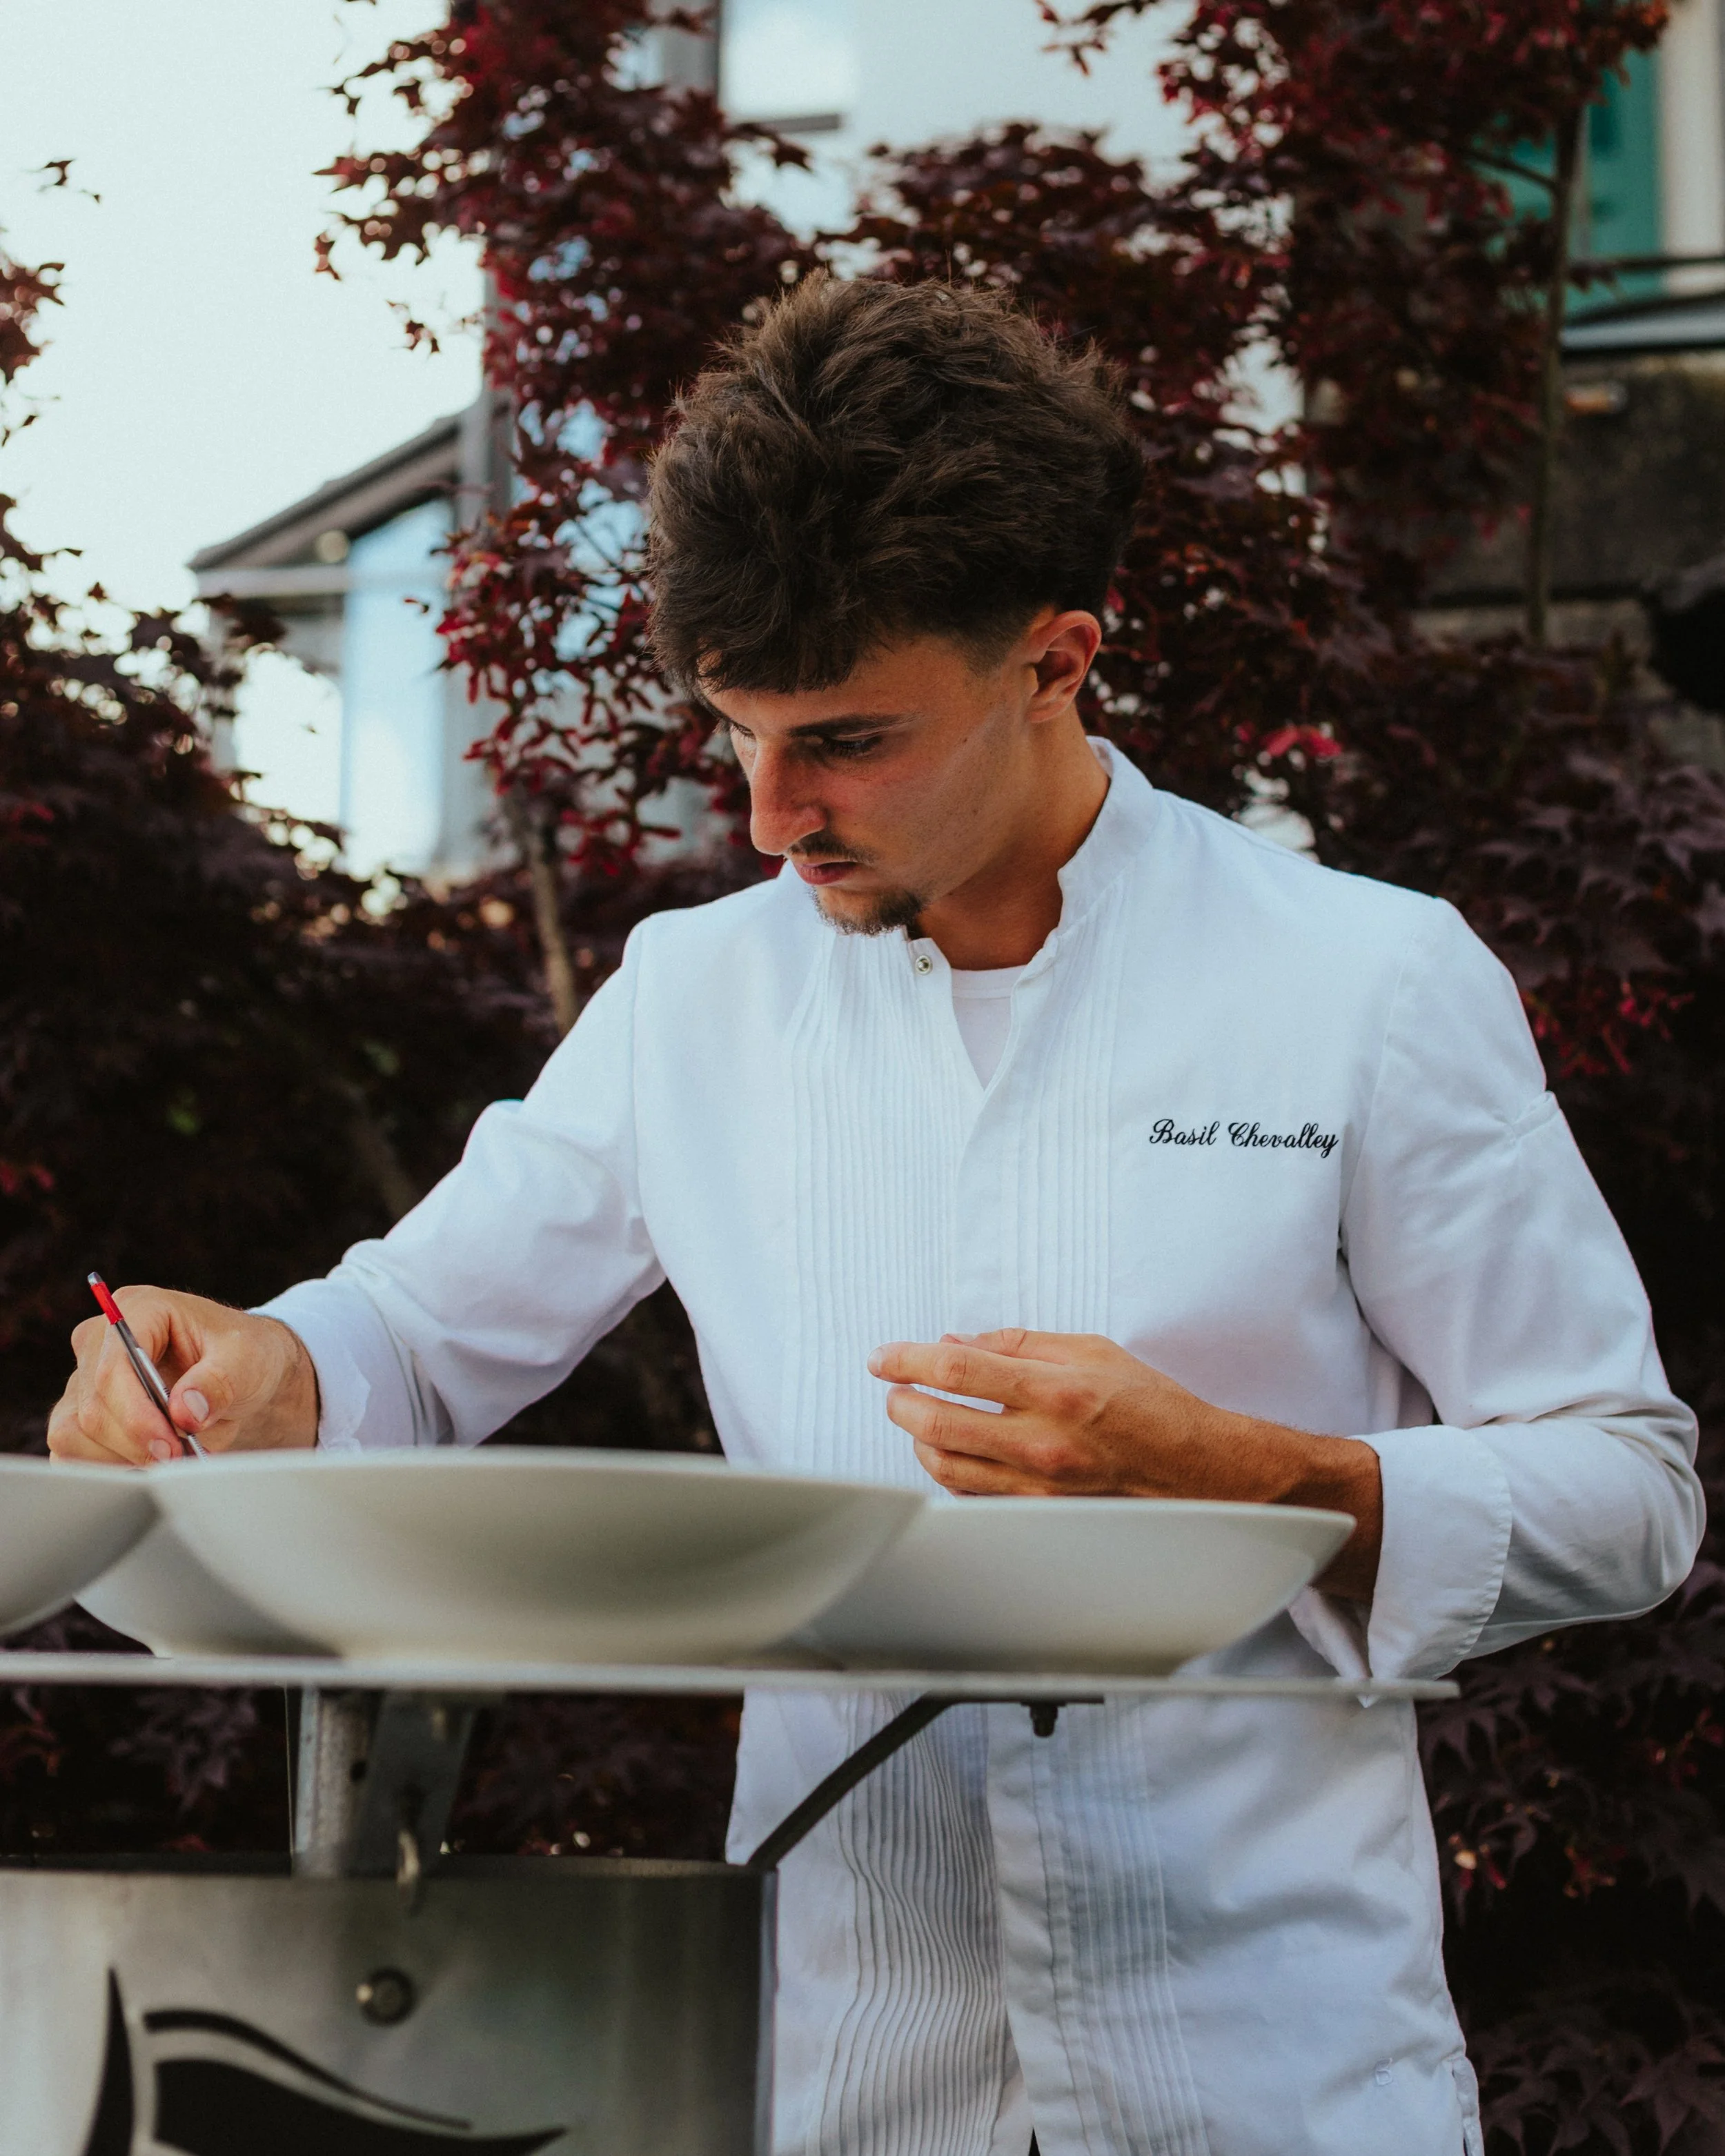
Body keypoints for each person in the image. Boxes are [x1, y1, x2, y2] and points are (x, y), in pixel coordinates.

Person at [51, 277, 1702, 2156]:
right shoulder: (693, 1000)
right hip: (837, 2081)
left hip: (1280, 2079)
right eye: (734, 733)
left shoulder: (1369, 982)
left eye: (842, 738)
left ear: (1058, 657)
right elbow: (411, 1341)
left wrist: (1246, 1476)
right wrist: (254, 1372)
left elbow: (1626, 1481)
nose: (767, 817)